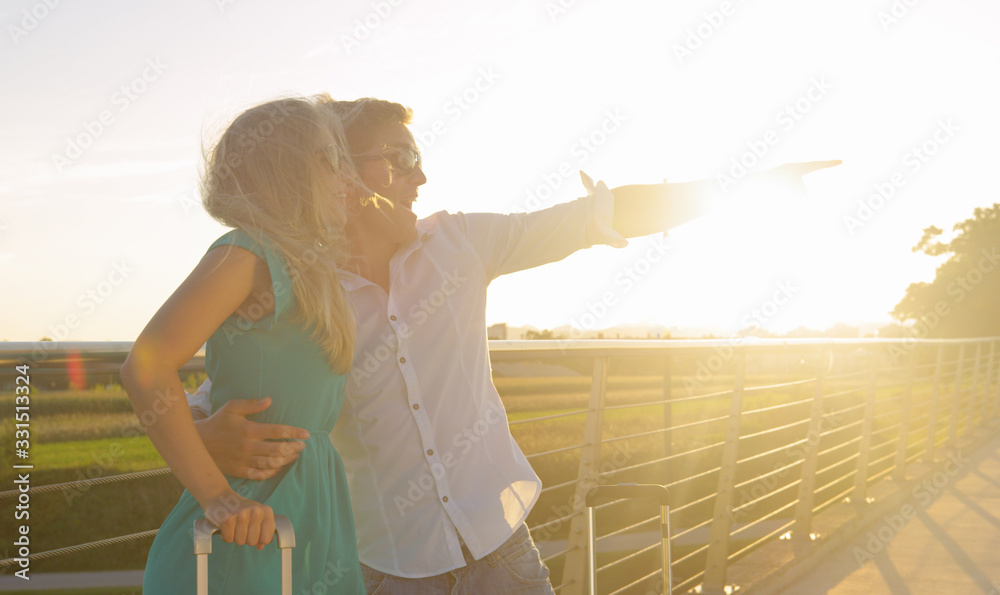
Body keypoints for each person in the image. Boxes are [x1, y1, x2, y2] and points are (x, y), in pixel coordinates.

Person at [189, 96, 840, 593]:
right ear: (339, 176)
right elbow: (205, 393)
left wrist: (751, 184)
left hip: (502, 545)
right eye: (402, 157)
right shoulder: (298, 291)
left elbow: (603, 214)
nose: (421, 175)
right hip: (385, 568)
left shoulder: (462, 242)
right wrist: (208, 437)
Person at [121, 96, 369, 594]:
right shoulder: (247, 252)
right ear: (290, 172)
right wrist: (218, 498)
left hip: (313, 515)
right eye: (333, 159)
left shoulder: (311, 273)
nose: (348, 177)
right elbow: (145, 367)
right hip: (247, 530)